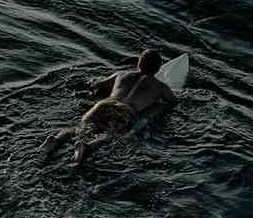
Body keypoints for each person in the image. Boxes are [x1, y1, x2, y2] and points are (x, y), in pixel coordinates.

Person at [41, 49, 177, 167]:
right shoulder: (160, 86)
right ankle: (87, 147)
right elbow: (173, 101)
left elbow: (96, 85)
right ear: (158, 69)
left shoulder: (121, 74)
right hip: (125, 111)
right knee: (109, 136)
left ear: (139, 63)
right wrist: (156, 106)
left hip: (103, 104)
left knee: (79, 129)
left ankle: (57, 139)